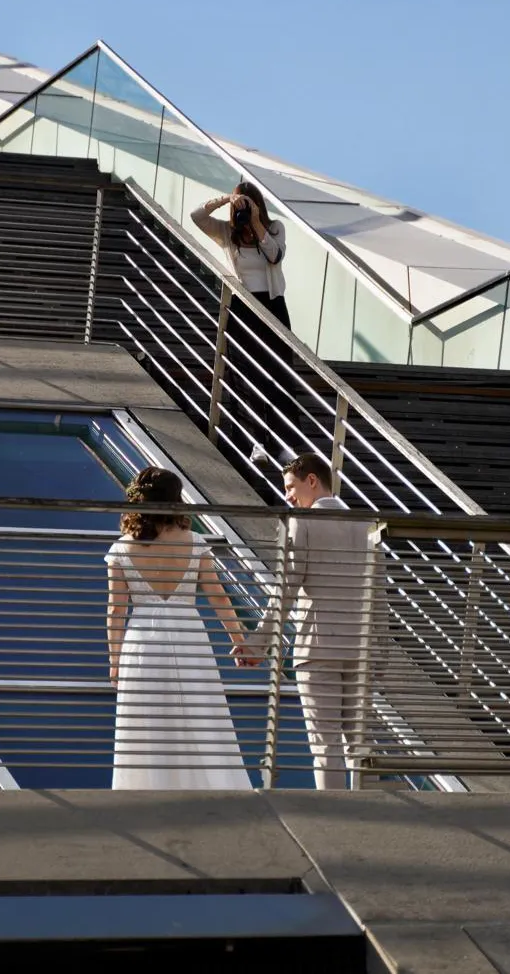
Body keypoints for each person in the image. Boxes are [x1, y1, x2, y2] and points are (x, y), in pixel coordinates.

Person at [233, 453, 388, 790]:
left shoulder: (301, 521)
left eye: (291, 487)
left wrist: (259, 642)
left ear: (312, 480)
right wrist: (380, 653)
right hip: (363, 650)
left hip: (317, 647)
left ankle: (335, 826)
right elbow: (380, 596)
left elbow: (286, 588)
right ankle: (372, 819)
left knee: (326, 745)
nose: (288, 495)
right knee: (361, 743)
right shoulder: (369, 524)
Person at [105, 466, 252, 791]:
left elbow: (116, 611)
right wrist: (240, 642)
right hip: (190, 637)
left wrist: (115, 662)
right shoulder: (195, 543)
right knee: (200, 713)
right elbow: (219, 598)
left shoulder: (121, 549)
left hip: (144, 641)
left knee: (149, 721)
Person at [191, 183, 294, 468]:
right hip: (242, 308)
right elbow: (196, 216)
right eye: (239, 205)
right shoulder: (226, 232)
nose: (241, 210)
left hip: (273, 306)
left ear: (258, 204)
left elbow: (275, 255)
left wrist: (257, 220)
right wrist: (226, 198)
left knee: (279, 372)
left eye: (247, 204)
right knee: (247, 375)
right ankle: (256, 441)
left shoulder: (274, 229)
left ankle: (284, 443)